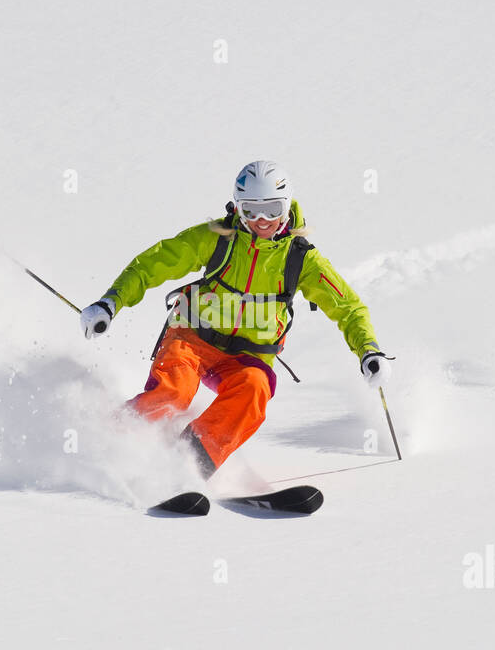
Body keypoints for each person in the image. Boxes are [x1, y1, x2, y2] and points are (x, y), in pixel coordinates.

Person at [79, 161, 392, 478]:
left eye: (272, 209)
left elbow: (347, 306)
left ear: (286, 206)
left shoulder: (301, 259)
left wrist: (369, 350)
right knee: (174, 391)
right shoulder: (217, 239)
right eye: (251, 209)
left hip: (246, 356)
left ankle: (187, 464)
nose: (261, 220)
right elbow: (153, 263)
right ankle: (109, 437)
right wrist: (110, 302)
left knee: (254, 390)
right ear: (237, 207)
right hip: (192, 338)